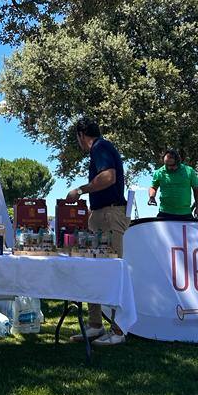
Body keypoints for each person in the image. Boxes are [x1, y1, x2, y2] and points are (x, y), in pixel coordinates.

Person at [66, 118, 128, 346]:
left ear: (81, 134)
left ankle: (119, 330)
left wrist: (81, 190)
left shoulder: (100, 147)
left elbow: (108, 177)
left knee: (113, 273)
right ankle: (95, 325)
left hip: (110, 216)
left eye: (77, 138)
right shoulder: (100, 150)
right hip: (100, 214)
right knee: (93, 270)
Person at [147, 149, 198, 220]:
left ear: (178, 162)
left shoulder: (189, 171)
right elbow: (153, 187)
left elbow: (196, 190)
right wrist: (152, 197)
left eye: (172, 165)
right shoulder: (159, 172)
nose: (169, 167)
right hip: (165, 212)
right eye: (167, 165)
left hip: (185, 213)